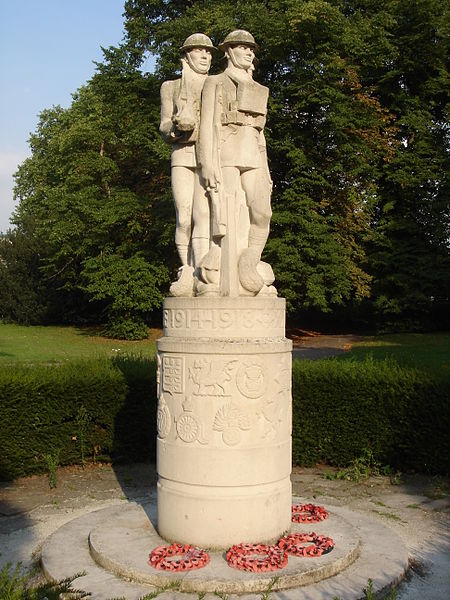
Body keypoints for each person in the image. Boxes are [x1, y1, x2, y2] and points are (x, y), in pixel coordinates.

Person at [198, 30, 274, 295]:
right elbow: (207, 124)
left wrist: (265, 168)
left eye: (251, 48)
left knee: (262, 213)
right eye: (243, 47)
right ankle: (219, 275)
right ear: (229, 50)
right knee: (227, 217)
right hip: (226, 152)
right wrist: (207, 162)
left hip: (253, 152)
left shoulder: (258, 88)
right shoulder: (215, 82)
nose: (249, 52)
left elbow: (261, 134)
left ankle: (249, 262)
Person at [159, 33, 215, 296]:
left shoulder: (217, 85)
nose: (205, 56)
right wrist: (177, 129)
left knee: (203, 217)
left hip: (210, 157)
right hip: (182, 154)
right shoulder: (170, 86)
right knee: (184, 217)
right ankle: (186, 270)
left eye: (209, 52)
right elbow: (163, 126)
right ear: (186, 55)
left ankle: (201, 273)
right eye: (199, 51)